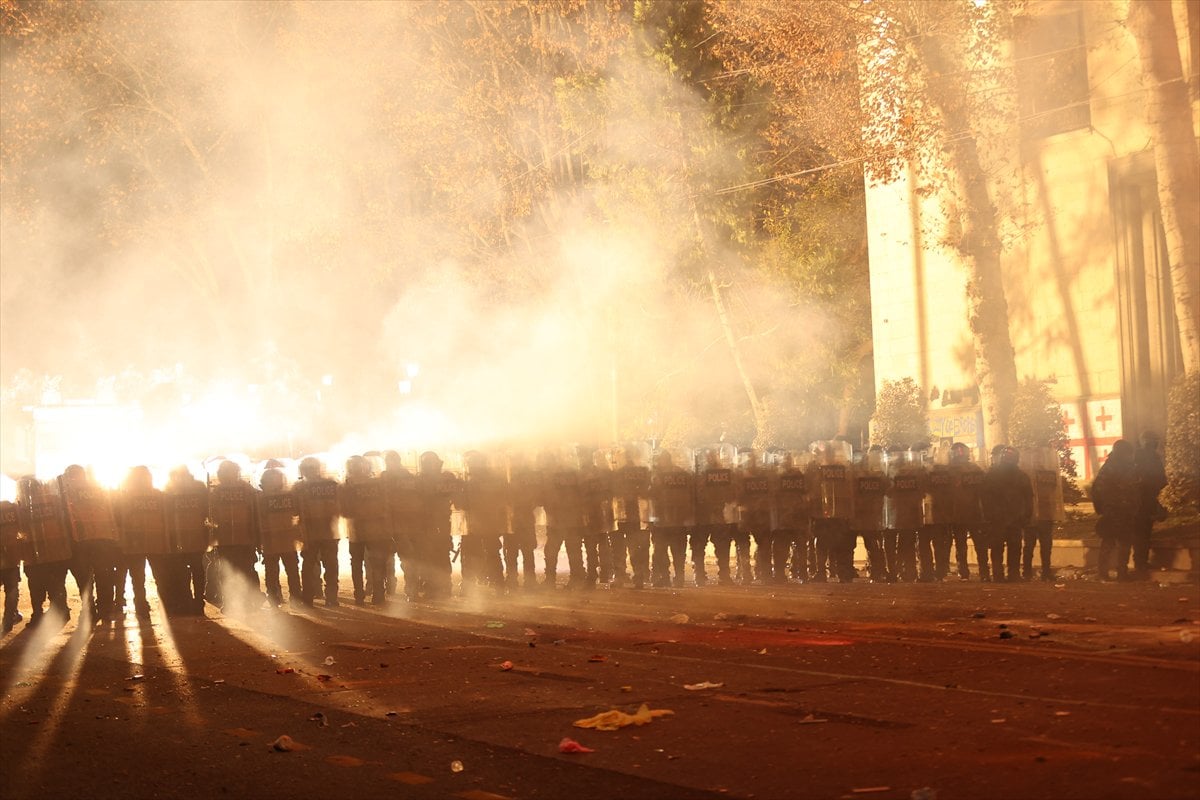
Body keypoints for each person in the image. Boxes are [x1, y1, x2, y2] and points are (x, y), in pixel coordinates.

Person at [61, 464, 122, 624]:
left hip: (81, 541)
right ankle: (106, 610)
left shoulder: (67, 491)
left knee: (84, 579)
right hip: (103, 539)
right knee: (104, 576)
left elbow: (65, 517)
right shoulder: (99, 488)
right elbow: (111, 510)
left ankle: (89, 610)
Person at [115, 465, 169, 619]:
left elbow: (119, 518)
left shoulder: (126, 497)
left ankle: (141, 606)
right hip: (156, 541)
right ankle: (165, 604)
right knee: (160, 576)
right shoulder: (159, 495)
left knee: (138, 578)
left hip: (134, 542)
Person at [17, 477, 72, 625]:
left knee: (36, 588)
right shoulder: (53, 500)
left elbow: (20, 530)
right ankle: (61, 612)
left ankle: (38, 616)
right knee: (57, 586)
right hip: (55, 552)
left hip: (34, 555)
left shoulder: (22, 506)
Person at [208, 460, 261, 612]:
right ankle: (249, 602)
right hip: (242, 538)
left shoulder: (217, 492)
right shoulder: (247, 489)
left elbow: (211, 517)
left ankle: (236, 603)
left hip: (229, 539)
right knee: (246, 570)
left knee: (231, 572)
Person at [340, 455, 393, 606]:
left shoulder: (346, 487)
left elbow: (344, 511)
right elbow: (385, 506)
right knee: (376, 563)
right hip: (374, 531)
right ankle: (378, 594)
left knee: (357, 564)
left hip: (357, 531)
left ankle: (360, 595)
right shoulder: (376, 484)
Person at [981, 446, 1032, 582]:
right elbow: (1028, 499)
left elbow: (985, 498)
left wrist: (988, 515)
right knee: (1012, 547)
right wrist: (1027, 516)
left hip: (1001, 518)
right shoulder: (1021, 476)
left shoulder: (992, 475)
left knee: (999, 547)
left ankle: (999, 574)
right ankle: (1011, 574)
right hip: (1011, 518)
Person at [459, 451, 507, 594]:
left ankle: (469, 585)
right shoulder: (494, 480)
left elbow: (462, 504)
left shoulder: (469, 483)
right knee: (492, 554)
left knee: (470, 555)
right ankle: (497, 583)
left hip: (475, 524)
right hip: (488, 524)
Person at [1091, 440, 1140, 581]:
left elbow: (1097, 489)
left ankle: (1112, 573)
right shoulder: (1114, 468)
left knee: (1117, 542)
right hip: (1116, 511)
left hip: (1121, 510)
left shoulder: (1115, 467)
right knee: (1116, 542)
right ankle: (1112, 573)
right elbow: (1099, 490)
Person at [164, 465, 210, 614]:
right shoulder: (199, 488)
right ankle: (197, 601)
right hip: (193, 538)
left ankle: (190, 601)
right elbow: (207, 511)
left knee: (186, 571)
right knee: (196, 570)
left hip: (181, 539)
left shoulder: (170, 489)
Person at [539, 450, 587, 590]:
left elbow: (544, 497)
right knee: (572, 551)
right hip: (569, 519)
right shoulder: (574, 474)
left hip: (560, 520)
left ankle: (552, 580)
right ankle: (576, 579)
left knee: (554, 551)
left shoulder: (550, 476)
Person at [415, 451, 459, 600]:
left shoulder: (425, 480)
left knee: (431, 556)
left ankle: (436, 588)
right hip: (437, 523)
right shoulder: (445, 479)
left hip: (431, 523)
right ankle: (443, 587)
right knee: (440, 555)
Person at [258, 467, 303, 608]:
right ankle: (295, 598)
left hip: (270, 540)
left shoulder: (260, 498)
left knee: (272, 572)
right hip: (286, 539)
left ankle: (274, 598)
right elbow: (296, 512)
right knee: (292, 570)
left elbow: (258, 519)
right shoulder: (289, 496)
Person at [649, 450, 692, 588]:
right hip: (678, 519)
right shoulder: (682, 474)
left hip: (662, 519)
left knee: (661, 550)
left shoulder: (657, 476)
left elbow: (651, 494)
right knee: (678, 551)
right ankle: (679, 577)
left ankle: (665, 577)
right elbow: (690, 495)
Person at [380, 451, 420, 600]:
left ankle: (404, 588)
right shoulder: (408, 477)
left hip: (397, 524)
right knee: (406, 559)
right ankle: (409, 589)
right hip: (403, 524)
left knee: (396, 559)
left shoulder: (386, 478)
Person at [695, 448, 738, 586]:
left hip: (711, 514)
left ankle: (703, 576)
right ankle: (718, 576)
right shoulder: (724, 474)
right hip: (712, 514)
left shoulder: (702, 474)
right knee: (719, 545)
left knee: (710, 545)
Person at [612, 445, 652, 589]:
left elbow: (615, 491)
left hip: (623, 514)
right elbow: (648, 490)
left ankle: (621, 576)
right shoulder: (644, 471)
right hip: (637, 514)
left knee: (619, 547)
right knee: (635, 547)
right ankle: (638, 576)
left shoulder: (619, 472)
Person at [1022, 447, 1063, 582]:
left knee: (1045, 546)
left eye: (1039, 457)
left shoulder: (1045, 474)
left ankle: (1044, 571)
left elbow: (1054, 493)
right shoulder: (1027, 474)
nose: (1037, 460)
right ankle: (1028, 571)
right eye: (1035, 457)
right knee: (1030, 546)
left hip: (1044, 514)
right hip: (1032, 515)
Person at [885, 445, 925, 583]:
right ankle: (906, 572)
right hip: (900, 514)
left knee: (897, 545)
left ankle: (898, 572)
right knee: (905, 545)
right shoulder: (911, 471)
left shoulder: (888, 471)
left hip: (896, 514)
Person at [849, 446, 889, 582]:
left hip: (863, 513)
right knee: (871, 544)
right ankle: (877, 571)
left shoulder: (858, 473)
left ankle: (875, 571)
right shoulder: (869, 473)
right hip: (865, 513)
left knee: (869, 544)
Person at [1131, 431, 1168, 580]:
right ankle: (1140, 562)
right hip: (1142, 500)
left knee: (1144, 532)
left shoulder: (1146, 457)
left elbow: (1160, 479)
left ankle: (1141, 562)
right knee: (1141, 533)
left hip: (1147, 500)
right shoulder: (1141, 457)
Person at [770, 451, 810, 584]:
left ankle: (784, 574)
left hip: (789, 517)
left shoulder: (778, 476)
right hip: (791, 517)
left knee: (786, 547)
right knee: (795, 547)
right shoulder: (795, 475)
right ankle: (800, 574)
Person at [504, 451, 541, 591]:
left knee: (523, 552)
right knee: (514, 552)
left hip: (521, 519)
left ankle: (525, 581)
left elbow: (534, 498)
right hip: (513, 520)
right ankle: (516, 580)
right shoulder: (508, 477)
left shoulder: (523, 478)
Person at [949, 443, 986, 580]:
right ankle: (983, 571)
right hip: (971, 512)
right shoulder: (975, 469)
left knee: (962, 544)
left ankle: (964, 571)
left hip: (960, 512)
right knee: (978, 544)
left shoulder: (950, 470)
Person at [737, 451, 773, 585]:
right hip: (752, 514)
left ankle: (755, 574)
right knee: (753, 545)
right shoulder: (744, 476)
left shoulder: (742, 475)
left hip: (753, 514)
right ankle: (757, 574)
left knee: (752, 545)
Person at [1, 496, 25, 632]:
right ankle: (8, 620)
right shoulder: (13, 509)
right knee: (11, 590)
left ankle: (12, 616)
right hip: (11, 556)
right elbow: (22, 529)